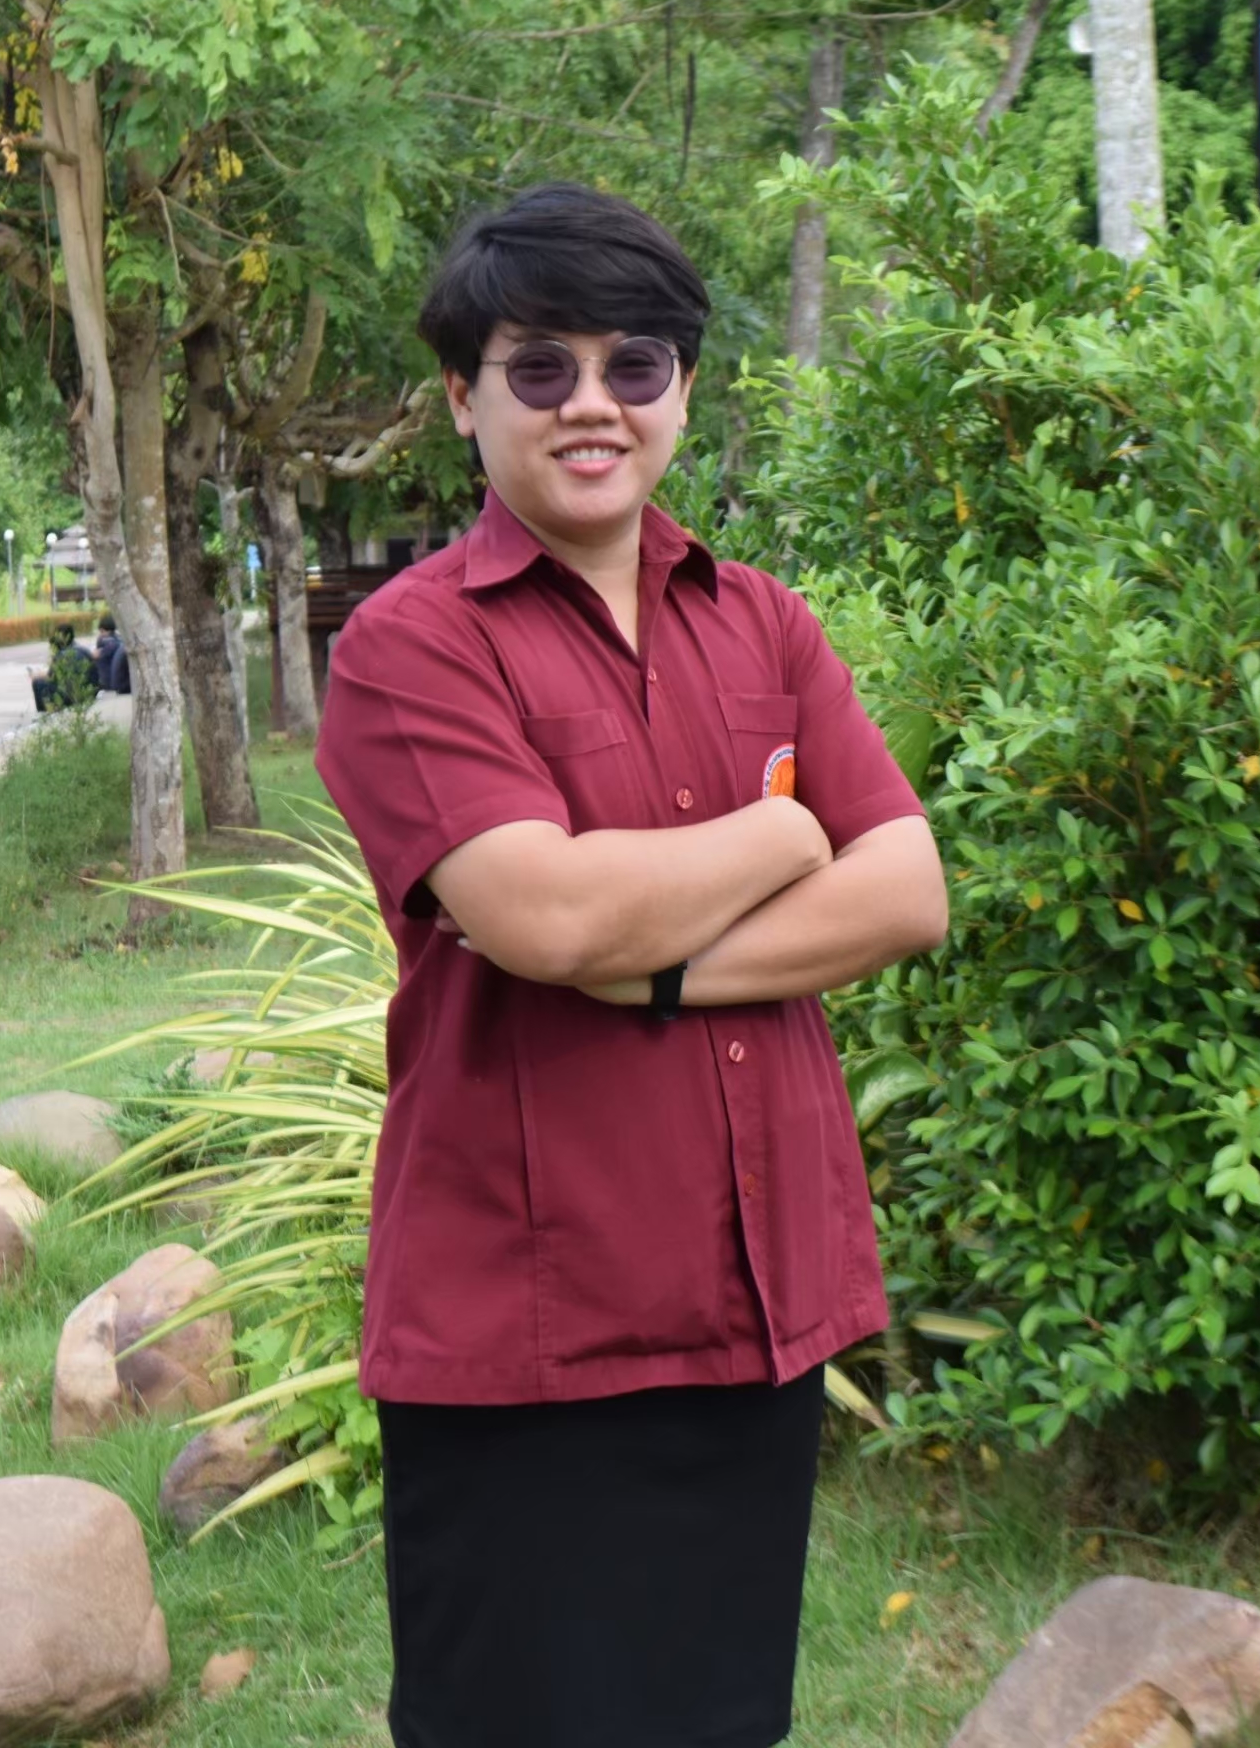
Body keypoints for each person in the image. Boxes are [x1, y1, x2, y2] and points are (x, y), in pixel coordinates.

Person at [316, 183, 948, 1748]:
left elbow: (905, 891)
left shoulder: (763, 625)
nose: (590, 403)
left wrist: (656, 969)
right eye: (539, 367)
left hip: (748, 1305)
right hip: (525, 1329)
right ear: (460, 397)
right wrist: (785, 831)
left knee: (721, 1725)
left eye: (633, 363)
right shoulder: (410, 645)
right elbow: (546, 918)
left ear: (682, 388)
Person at [31, 623, 98, 711]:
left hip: (73, 696)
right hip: (91, 692)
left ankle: (45, 711)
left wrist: (38, 675)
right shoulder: (84, 650)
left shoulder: (61, 655)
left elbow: (52, 677)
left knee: (38, 683)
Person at [93, 613, 120, 691]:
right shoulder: (118, 639)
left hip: (107, 682)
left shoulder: (107, 643)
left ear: (102, 630)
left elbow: (95, 655)